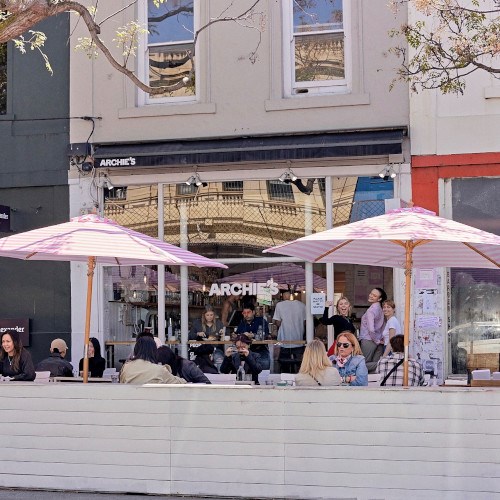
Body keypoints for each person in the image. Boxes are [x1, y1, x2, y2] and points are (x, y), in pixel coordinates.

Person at [120, 336, 186, 384]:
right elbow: (181, 382)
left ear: (136, 350)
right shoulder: (160, 370)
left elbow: (121, 383)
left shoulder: (126, 367)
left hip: (131, 402)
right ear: (154, 351)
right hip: (154, 402)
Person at [273, 291, 306, 373]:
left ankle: (286, 382)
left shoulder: (279, 305)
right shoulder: (302, 305)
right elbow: (305, 322)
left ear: (284, 294)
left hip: (284, 341)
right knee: (299, 367)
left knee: (284, 367)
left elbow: (278, 322)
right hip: (299, 341)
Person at [359, 287, 387, 373]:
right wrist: (380, 339)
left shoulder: (371, 310)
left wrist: (377, 341)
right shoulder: (381, 309)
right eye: (371, 293)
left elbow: (371, 329)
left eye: (374, 295)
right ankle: (384, 365)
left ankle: (387, 364)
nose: (370, 296)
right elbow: (383, 325)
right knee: (374, 367)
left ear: (379, 298)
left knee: (362, 365)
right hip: (378, 341)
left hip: (368, 340)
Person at [236, 303, 270, 370]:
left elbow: (266, 334)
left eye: (248, 312)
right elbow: (237, 336)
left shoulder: (261, 321)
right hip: (246, 350)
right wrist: (242, 335)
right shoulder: (242, 324)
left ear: (253, 312)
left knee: (265, 364)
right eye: (244, 313)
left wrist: (253, 335)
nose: (246, 315)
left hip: (261, 349)